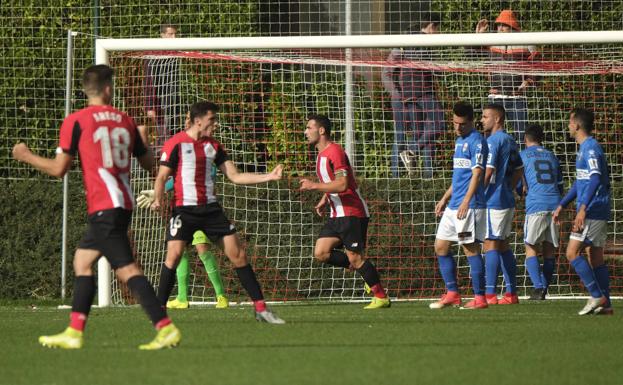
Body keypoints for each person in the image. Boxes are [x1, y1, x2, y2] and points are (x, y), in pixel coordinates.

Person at [12, 64, 180, 350]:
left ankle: (165, 327)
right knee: (82, 261)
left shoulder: (76, 121)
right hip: (121, 204)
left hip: (105, 205)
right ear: (107, 88)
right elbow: (151, 164)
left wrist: (26, 155)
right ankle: (74, 331)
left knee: (127, 271)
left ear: (86, 90)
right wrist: (161, 188)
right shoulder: (125, 120)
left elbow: (58, 169)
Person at [151, 101, 285, 323]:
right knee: (173, 256)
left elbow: (235, 176)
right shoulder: (176, 143)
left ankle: (261, 309)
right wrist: (158, 198)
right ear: (198, 121)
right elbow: (162, 177)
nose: (215, 124)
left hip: (212, 211)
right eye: (212, 119)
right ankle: (159, 311)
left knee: (238, 255)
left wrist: (268, 176)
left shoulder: (214, 146)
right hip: (184, 211)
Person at [137, 112, 229, 309]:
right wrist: (157, 193)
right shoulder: (182, 146)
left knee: (203, 250)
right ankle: (181, 297)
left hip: (202, 209)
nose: (187, 121)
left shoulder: (207, 148)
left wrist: (160, 190)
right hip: (184, 210)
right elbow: (174, 177)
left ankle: (221, 295)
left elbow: (202, 175)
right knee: (179, 252)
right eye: (186, 118)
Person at [299, 114, 390, 309]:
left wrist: (314, 187)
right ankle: (364, 272)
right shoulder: (321, 154)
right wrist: (325, 198)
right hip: (336, 214)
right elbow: (334, 183)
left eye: (309, 127)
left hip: (351, 212)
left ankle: (381, 296)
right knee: (321, 253)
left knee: (356, 258)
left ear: (321, 130)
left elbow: (343, 184)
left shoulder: (335, 152)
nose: (305, 132)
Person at [429, 102, 489, 310]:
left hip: (469, 205)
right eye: (455, 123)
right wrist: (445, 198)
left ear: (472, 122)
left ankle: (480, 297)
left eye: (462, 124)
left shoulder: (477, 142)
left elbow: (477, 174)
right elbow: (459, 178)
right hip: (454, 205)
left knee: (469, 249)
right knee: (440, 246)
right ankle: (453, 293)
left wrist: (465, 201)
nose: (457, 128)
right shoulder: (458, 141)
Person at [553, 108, 612, 315]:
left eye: (570, 122)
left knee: (572, 252)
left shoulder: (590, 148)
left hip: (593, 209)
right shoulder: (585, 148)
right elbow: (581, 182)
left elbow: (595, 178)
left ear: (576, 125)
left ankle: (596, 295)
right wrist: (563, 204)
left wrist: (583, 209)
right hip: (595, 208)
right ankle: (606, 306)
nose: (568, 126)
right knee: (595, 257)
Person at [382, 13, 445, 178]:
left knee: (421, 134)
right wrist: (397, 95)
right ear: (432, 26)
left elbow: (427, 69)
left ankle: (420, 175)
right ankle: (399, 175)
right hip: (409, 96)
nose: (438, 33)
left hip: (413, 96)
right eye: (438, 29)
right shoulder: (407, 44)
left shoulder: (417, 44)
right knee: (403, 135)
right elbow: (387, 72)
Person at [475, 10, 539, 146]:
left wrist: (528, 82)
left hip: (516, 98)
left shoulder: (526, 42)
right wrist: (477, 35)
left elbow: (538, 65)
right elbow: (471, 54)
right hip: (495, 98)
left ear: (513, 26)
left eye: (504, 25)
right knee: (490, 136)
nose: (500, 28)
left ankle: (521, 165)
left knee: (522, 136)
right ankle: (490, 165)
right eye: (498, 25)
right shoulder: (490, 42)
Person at [480, 104, 523, 305]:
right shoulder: (510, 139)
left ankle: (489, 294)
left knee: (491, 243)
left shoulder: (493, 141)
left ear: (497, 119)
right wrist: (508, 187)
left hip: (493, 200)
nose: (482, 120)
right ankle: (511, 294)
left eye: (485, 116)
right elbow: (519, 169)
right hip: (506, 198)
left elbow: (487, 173)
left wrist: (476, 195)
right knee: (504, 245)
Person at [520, 124, 562, 300]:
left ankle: (538, 287)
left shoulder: (522, 155)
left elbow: (518, 182)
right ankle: (544, 288)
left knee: (530, 247)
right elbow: (560, 185)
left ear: (525, 139)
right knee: (549, 250)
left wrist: (519, 190)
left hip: (536, 204)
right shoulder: (552, 156)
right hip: (554, 204)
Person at [144, 24, 182, 149]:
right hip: (160, 106)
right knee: (163, 142)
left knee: (174, 139)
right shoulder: (153, 56)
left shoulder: (176, 54)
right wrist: (150, 106)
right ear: (162, 35)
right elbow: (149, 82)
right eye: (170, 34)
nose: (174, 38)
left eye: (175, 34)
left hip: (174, 106)